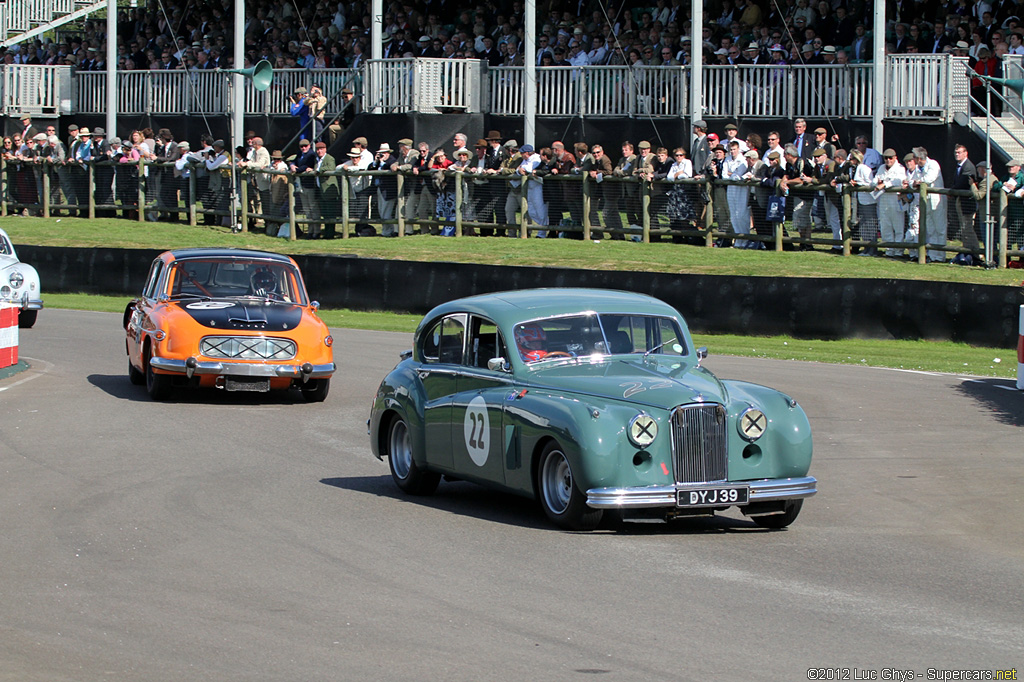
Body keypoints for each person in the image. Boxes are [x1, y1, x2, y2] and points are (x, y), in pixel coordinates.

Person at [911, 146, 948, 262]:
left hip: (936, 201)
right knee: (930, 229)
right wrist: (915, 183)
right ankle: (932, 255)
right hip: (925, 201)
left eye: (914, 157)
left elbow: (929, 179)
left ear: (919, 158)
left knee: (940, 229)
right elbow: (912, 181)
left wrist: (918, 182)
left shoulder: (933, 164)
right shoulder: (917, 168)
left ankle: (940, 256)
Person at [874, 149, 908, 258]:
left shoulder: (900, 168)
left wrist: (884, 184)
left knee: (898, 227)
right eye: (886, 158)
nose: (888, 160)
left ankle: (898, 251)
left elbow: (898, 181)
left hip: (895, 199)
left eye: (890, 158)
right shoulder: (881, 168)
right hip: (883, 200)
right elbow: (875, 180)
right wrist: (878, 182)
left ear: (895, 158)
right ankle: (889, 250)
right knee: (885, 226)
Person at [950, 143, 978, 250]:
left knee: (968, 228)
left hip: (967, 203)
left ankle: (974, 252)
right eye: (955, 152)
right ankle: (967, 251)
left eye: (959, 152)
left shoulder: (968, 167)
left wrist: (951, 191)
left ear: (965, 153)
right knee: (964, 228)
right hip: (960, 200)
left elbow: (961, 183)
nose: (957, 155)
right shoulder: (959, 166)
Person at [724, 140, 752, 248]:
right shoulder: (727, 159)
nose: (732, 152)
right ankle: (738, 240)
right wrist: (731, 175)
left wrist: (731, 174)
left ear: (738, 149)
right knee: (733, 215)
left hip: (741, 189)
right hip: (730, 188)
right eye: (731, 150)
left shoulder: (743, 160)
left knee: (741, 214)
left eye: (734, 149)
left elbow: (738, 175)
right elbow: (724, 175)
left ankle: (745, 239)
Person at [517, 144, 547, 235]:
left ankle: (541, 233)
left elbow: (530, 169)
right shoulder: (525, 160)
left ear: (526, 153)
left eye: (522, 153)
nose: (521, 155)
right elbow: (519, 169)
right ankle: (544, 225)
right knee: (531, 211)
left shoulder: (536, 158)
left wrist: (522, 169)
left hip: (537, 187)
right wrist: (519, 170)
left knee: (540, 211)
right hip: (529, 188)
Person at [313, 141, 338, 239]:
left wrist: (319, 170)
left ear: (325, 149)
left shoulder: (329, 158)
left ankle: (330, 234)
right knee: (325, 213)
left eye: (321, 149)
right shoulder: (317, 160)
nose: (319, 151)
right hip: (321, 190)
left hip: (329, 190)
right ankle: (326, 232)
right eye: (318, 149)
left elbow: (331, 167)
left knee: (331, 213)